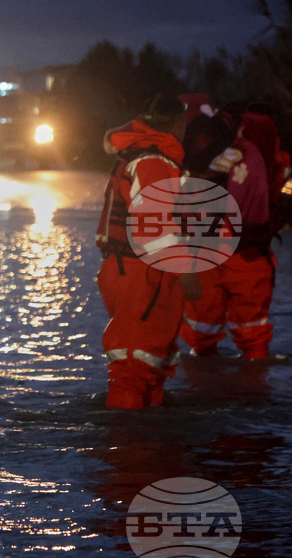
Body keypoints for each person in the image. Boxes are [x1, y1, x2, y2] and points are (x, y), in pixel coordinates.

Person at [96, 96, 202, 409]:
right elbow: (151, 225)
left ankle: (148, 431)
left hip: (134, 268)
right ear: (177, 125)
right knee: (135, 364)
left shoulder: (142, 156)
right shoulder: (154, 162)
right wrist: (185, 269)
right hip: (142, 273)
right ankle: (127, 434)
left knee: (151, 362)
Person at [179, 105, 275, 359]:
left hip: (216, 251)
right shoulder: (250, 152)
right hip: (243, 252)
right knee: (250, 332)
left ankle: (210, 372)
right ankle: (251, 375)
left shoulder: (201, 159)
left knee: (204, 331)